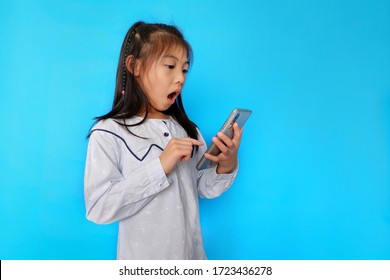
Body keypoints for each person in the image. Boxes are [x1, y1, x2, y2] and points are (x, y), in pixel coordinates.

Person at [84, 21, 243, 260]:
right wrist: (160, 166)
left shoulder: (187, 130)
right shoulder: (109, 132)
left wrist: (226, 163)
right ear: (134, 66)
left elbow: (203, 188)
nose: (180, 78)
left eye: (184, 69)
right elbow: (99, 207)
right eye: (170, 66)